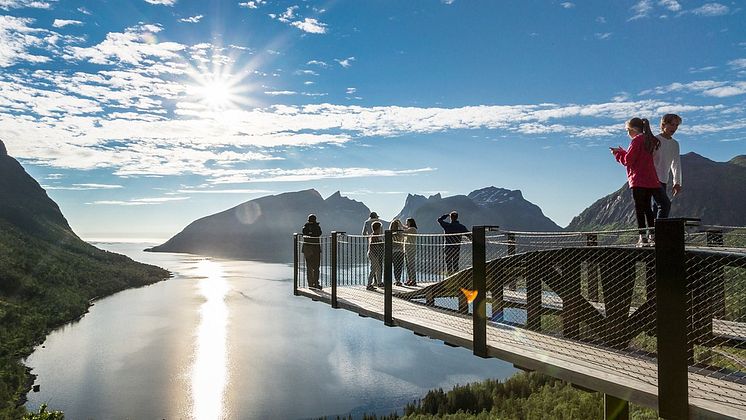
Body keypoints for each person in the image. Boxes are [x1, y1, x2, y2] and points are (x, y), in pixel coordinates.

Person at [611, 118, 666, 246]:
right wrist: (623, 151)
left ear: (633, 130)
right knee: (648, 208)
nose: (627, 133)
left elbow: (628, 161)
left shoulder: (636, 141)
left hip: (638, 179)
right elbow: (639, 156)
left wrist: (617, 154)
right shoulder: (649, 140)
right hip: (650, 179)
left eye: (627, 130)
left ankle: (642, 237)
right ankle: (652, 235)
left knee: (639, 208)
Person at [652, 113, 683, 219]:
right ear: (663, 124)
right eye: (671, 124)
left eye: (676, 125)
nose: (674, 128)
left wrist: (677, 182)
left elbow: (676, 163)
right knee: (665, 205)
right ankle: (659, 234)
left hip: (663, 180)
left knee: (656, 207)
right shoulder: (655, 140)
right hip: (652, 178)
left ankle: (652, 234)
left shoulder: (675, 144)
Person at [301, 214, 322, 289]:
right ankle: (316, 283)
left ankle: (311, 283)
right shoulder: (317, 227)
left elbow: (305, 233)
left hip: (307, 249)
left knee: (309, 267)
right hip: (315, 248)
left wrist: (310, 234)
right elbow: (318, 233)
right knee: (316, 267)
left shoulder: (305, 227)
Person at [361, 211, 380, 286]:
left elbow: (363, 233)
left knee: (373, 264)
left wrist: (369, 237)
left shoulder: (366, 222)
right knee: (378, 264)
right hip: (378, 243)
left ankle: (374, 281)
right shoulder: (378, 222)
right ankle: (378, 282)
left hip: (370, 243)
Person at [366, 221, 384, 290]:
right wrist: (382, 243)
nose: (380, 230)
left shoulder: (374, 235)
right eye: (380, 228)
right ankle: (369, 284)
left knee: (378, 268)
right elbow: (376, 244)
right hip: (373, 254)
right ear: (377, 228)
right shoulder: (374, 236)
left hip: (373, 254)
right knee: (373, 269)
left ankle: (379, 282)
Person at [403, 218, 418, 286]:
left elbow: (404, 231)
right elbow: (405, 228)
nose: (406, 223)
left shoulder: (412, 229)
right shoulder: (410, 229)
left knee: (411, 265)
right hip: (407, 249)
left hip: (411, 249)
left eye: (407, 222)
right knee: (408, 265)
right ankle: (410, 279)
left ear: (410, 222)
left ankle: (414, 280)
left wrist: (399, 223)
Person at [390, 219, 406, 286]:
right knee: (400, 266)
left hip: (393, 252)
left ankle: (397, 280)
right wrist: (399, 222)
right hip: (401, 251)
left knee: (395, 266)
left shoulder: (390, 234)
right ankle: (398, 280)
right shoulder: (401, 233)